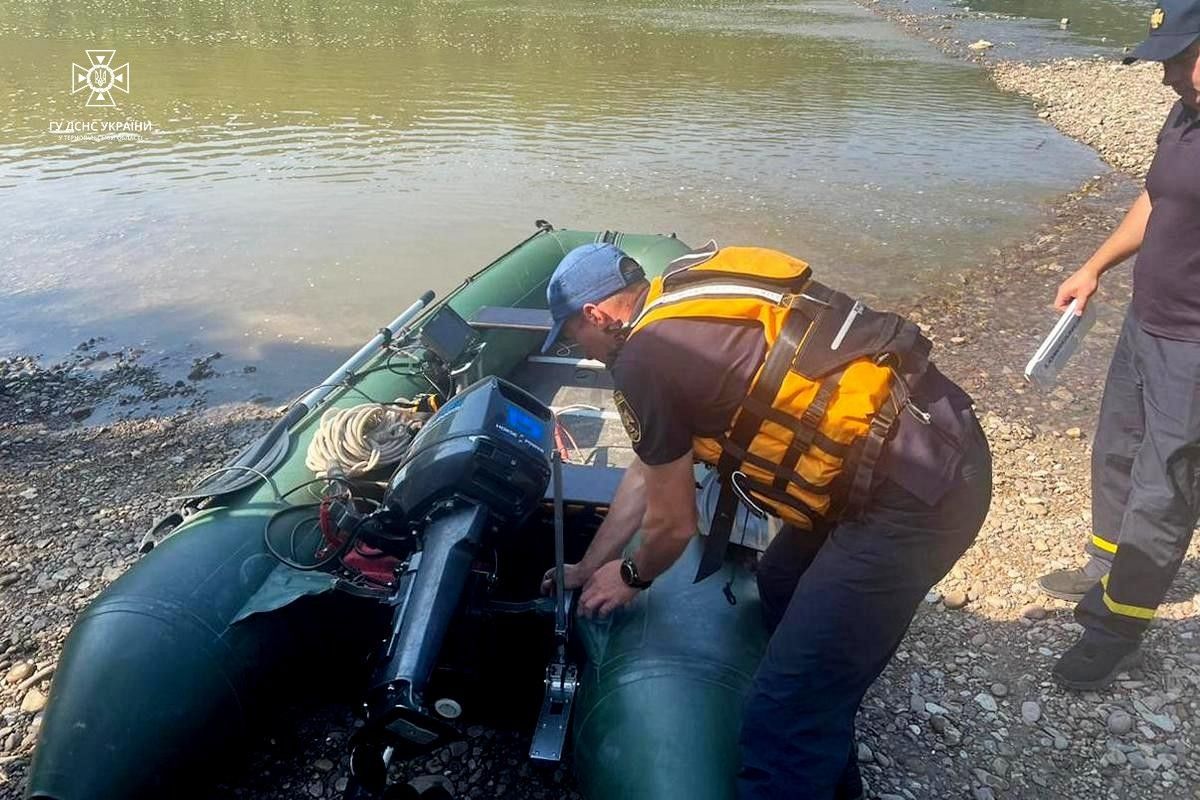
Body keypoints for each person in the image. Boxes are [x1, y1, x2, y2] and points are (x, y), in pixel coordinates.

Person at [538, 240, 992, 799]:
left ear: (596, 315)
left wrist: (630, 575)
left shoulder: (640, 359)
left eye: (571, 336)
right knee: (778, 584)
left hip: (917, 493)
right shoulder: (680, 296)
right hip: (921, 438)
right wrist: (587, 565)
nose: (578, 350)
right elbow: (645, 474)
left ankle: (802, 729)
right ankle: (830, 754)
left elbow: (673, 527)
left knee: (782, 714)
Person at [1037, 0, 1200, 690]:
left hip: (1194, 348)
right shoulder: (1188, 113)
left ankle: (1119, 628)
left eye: (1177, 58)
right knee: (1117, 450)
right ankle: (1107, 567)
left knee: (1165, 489)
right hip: (1146, 321)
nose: (1164, 75)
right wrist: (1094, 266)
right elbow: (1154, 198)